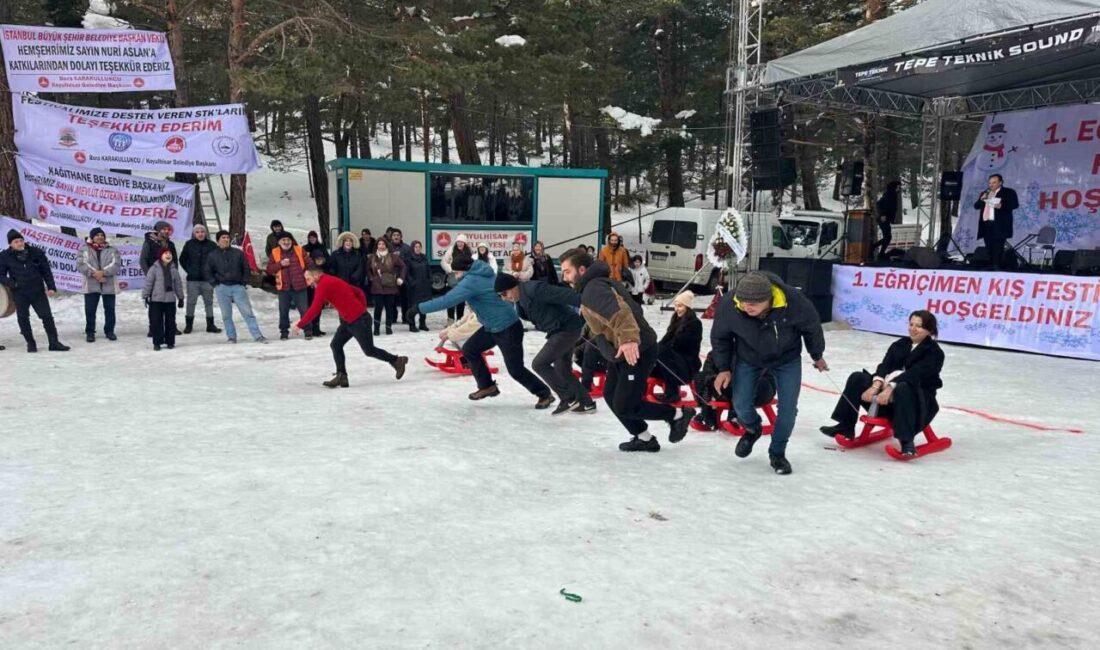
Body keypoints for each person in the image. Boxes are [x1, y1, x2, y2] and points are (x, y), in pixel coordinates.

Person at [560, 248, 694, 451]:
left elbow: (620, 313)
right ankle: (644, 438)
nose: (564, 277)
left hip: (636, 349)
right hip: (621, 351)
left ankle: (678, 415)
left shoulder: (594, 288)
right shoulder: (595, 285)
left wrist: (629, 339)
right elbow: (628, 310)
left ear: (581, 269)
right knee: (611, 395)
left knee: (625, 404)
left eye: (567, 271)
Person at [710, 271, 827, 475]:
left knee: (788, 410)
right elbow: (720, 337)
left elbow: (812, 327)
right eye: (744, 302)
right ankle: (753, 429)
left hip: (786, 358)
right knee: (740, 403)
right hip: (749, 356)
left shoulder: (794, 301)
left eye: (754, 303)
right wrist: (723, 368)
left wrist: (817, 355)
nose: (747, 307)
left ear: (769, 299)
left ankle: (777, 453)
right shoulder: (730, 305)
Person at [408, 257, 553, 407]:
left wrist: (418, 308)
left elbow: (447, 300)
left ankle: (544, 394)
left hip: (507, 328)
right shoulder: (484, 273)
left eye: (456, 272)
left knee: (515, 369)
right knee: (470, 349)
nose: (455, 276)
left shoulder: (471, 281)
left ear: (463, 270)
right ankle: (487, 386)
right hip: (491, 326)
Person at [820, 310, 944, 457]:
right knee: (857, 378)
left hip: (916, 402)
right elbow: (885, 365)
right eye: (911, 324)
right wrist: (876, 385)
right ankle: (846, 426)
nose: (913, 329)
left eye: (919, 326)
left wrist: (891, 387)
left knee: (904, 387)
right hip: (884, 401)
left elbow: (915, 375)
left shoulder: (934, 352)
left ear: (929, 330)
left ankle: (906, 440)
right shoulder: (900, 344)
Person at [496, 272, 596, 416]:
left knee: (539, 363)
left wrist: (589, 302)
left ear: (512, 287)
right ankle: (586, 403)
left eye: (504, 293)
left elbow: (562, 294)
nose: (504, 298)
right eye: (501, 295)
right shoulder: (521, 299)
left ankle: (568, 398)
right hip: (560, 329)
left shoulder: (533, 289)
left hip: (566, 328)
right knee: (562, 369)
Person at [292, 268, 408, 388]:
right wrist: (360, 309)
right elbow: (358, 292)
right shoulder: (331, 280)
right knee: (336, 345)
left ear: (316, 276)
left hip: (359, 321)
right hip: (349, 320)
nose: (307, 282)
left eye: (308, 279)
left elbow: (315, 309)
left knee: (369, 350)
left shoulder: (323, 284)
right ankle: (341, 376)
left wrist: (300, 324)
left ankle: (397, 360)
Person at [0, 229, 70, 352]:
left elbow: (46, 271)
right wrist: (13, 284)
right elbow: (1, 275)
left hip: (37, 290)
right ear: (10, 244)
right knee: (23, 318)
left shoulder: (35, 252)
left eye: (21, 240)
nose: (19, 243)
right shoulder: (5, 256)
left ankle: (54, 342)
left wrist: (51, 286)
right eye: (16, 242)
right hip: (19, 292)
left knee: (47, 316)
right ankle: (30, 343)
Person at [205, 229, 267, 343]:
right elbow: (208, 271)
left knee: (247, 313)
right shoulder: (212, 255)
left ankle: (257, 335)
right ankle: (231, 336)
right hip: (221, 287)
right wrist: (214, 283)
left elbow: (246, 268)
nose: (226, 239)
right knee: (226, 315)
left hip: (238, 287)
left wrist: (243, 282)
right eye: (223, 238)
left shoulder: (238, 253)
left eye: (227, 237)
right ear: (218, 241)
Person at [691, 351, 776, 431]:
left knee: (740, 381)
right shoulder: (722, 348)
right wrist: (711, 378)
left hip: (761, 386)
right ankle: (709, 414)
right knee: (702, 378)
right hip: (731, 387)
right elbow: (709, 365)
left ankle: (738, 416)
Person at [652, 291, 702, 403]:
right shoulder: (676, 320)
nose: (677, 309)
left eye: (680, 306)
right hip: (674, 360)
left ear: (687, 307)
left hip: (687, 363)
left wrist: (662, 349)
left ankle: (672, 392)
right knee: (655, 350)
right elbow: (665, 340)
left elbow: (680, 344)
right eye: (676, 305)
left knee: (663, 351)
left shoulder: (695, 323)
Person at [266, 232, 312, 341]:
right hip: (283, 287)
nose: (286, 242)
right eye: (284, 240)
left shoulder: (299, 250)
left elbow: (310, 264)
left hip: (300, 286)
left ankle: (308, 330)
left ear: (292, 241)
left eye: (288, 240)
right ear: (279, 242)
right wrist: (280, 264)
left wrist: (307, 273)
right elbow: (269, 269)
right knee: (283, 311)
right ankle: (284, 332)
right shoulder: (275, 252)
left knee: (304, 310)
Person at [77, 227, 120, 342]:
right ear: (92, 237)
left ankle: (109, 331)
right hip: (91, 284)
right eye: (97, 235)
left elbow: (116, 264)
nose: (100, 237)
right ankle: (90, 332)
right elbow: (81, 264)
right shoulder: (84, 249)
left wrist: (103, 273)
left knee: (110, 309)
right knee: (90, 310)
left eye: (102, 235)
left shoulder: (112, 249)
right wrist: (95, 274)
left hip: (108, 283)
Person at [179, 224, 221, 335]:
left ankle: (210, 325)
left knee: (209, 302)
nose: (200, 234)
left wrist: (212, 273)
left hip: (207, 280)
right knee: (191, 302)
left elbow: (217, 260)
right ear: (194, 234)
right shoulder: (189, 244)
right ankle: (189, 325)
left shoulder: (212, 245)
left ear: (205, 233)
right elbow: (182, 259)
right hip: (193, 280)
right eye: (197, 232)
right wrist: (190, 270)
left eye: (202, 231)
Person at [142, 247, 185, 351]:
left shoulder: (174, 270)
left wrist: (180, 298)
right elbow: (148, 283)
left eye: (169, 253)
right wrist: (145, 296)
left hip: (170, 300)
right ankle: (157, 342)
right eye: (165, 253)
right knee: (156, 322)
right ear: (160, 256)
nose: (168, 255)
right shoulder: (154, 269)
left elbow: (178, 284)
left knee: (170, 322)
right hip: (156, 300)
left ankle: (170, 341)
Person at [974, 173, 1019, 270]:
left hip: (1000, 225)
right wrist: (981, 200)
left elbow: (1015, 205)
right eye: (990, 183)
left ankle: (996, 267)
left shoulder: (1008, 192)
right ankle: (991, 265)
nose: (991, 185)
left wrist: (1001, 206)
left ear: (1000, 182)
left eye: (994, 182)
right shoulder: (985, 193)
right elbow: (976, 206)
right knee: (989, 247)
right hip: (986, 224)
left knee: (998, 248)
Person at [368, 238, 406, 335]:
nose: (381, 246)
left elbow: (403, 267)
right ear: (377, 246)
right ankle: (376, 328)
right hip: (377, 287)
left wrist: (400, 278)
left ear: (386, 246)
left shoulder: (393, 257)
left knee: (390, 308)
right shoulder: (372, 257)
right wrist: (371, 278)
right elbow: (367, 269)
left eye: (383, 244)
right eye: (379, 244)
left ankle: (388, 328)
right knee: (378, 308)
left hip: (390, 286)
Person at [441, 235, 472, 322]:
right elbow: (443, 262)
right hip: (453, 276)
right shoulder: (451, 250)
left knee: (461, 299)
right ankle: (450, 320)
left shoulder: (469, 251)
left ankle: (459, 319)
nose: (460, 243)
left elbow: (471, 263)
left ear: (465, 243)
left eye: (462, 242)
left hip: (464, 277)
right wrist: (451, 270)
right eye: (458, 241)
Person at [406, 240, 433, 332]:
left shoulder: (424, 257)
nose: (418, 249)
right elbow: (407, 273)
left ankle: (422, 323)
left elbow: (428, 269)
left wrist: (430, 279)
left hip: (425, 285)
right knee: (413, 306)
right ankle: (412, 325)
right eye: (416, 247)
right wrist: (412, 282)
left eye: (419, 247)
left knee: (424, 306)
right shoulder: (409, 259)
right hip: (414, 287)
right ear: (412, 248)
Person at [389, 228, 414, 324]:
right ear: (391, 237)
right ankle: (392, 318)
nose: (396, 237)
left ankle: (406, 317)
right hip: (391, 278)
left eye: (398, 235)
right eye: (394, 235)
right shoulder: (387, 247)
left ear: (401, 237)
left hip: (404, 277)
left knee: (405, 299)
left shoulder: (406, 248)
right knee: (392, 300)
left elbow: (409, 262)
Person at [874, 181, 901, 260]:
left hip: (886, 218)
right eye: (898, 187)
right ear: (895, 187)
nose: (899, 189)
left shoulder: (892, 194)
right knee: (887, 237)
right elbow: (880, 204)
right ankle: (878, 251)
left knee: (887, 237)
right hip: (883, 218)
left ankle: (878, 251)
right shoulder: (889, 194)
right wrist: (883, 214)